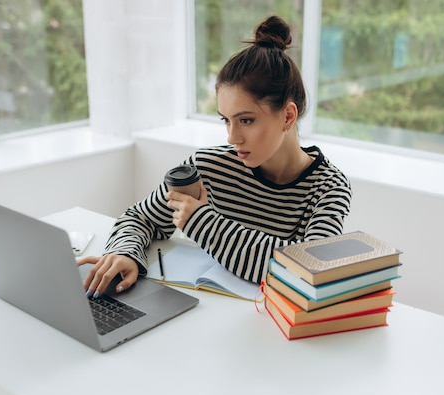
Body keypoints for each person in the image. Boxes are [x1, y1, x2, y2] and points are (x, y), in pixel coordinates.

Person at [79, 15, 352, 298]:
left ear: (287, 115)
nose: (232, 138)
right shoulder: (207, 168)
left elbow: (308, 271)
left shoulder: (329, 188)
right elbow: (139, 218)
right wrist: (125, 253)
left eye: (245, 120)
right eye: (226, 120)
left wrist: (202, 221)